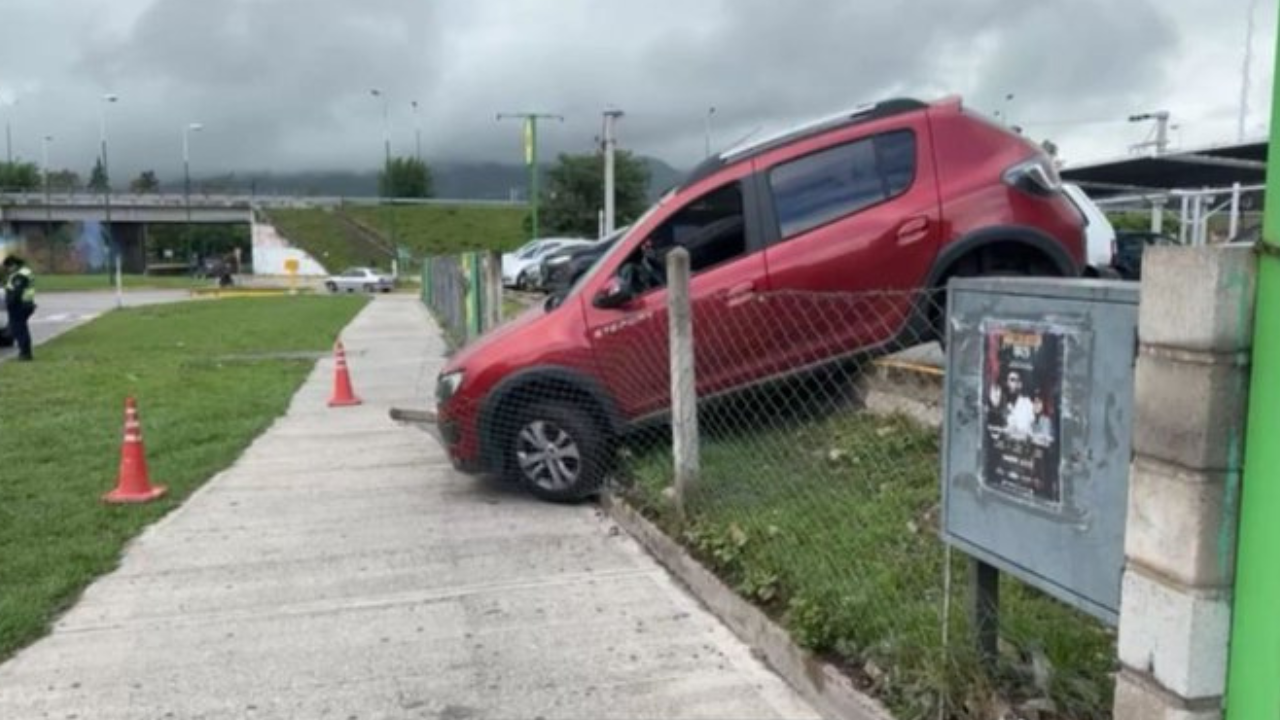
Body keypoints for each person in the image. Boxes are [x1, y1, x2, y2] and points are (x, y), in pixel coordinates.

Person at [3, 255, 36, 361]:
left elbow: (17, 292)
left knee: (20, 330)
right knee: (19, 329)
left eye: (8, 267)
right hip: (26, 304)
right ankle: (25, 352)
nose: (8, 270)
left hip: (19, 306)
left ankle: (25, 353)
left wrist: (9, 303)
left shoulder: (19, 276)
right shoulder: (25, 272)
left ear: (14, 265)